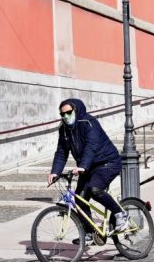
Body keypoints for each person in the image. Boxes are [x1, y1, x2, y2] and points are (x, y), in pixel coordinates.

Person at [48, 98, 129, 240]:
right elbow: (61, 152)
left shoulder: (89, 123)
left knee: (94, 189)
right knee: (79, 198)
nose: (66, 116)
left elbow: (91, 146)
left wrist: (82, 166)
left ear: (76, 110)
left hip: (107, 162)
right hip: (88, 167)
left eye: (69, 112)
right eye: (63, 114)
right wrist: (55, 172)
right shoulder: (64, 130)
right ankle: (90, 233)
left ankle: (120, 214)